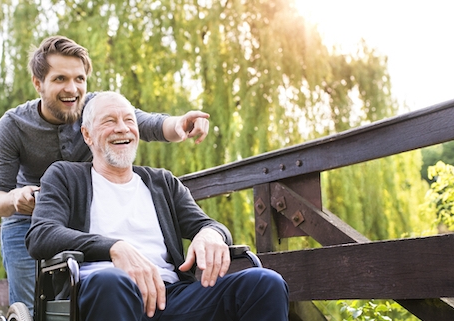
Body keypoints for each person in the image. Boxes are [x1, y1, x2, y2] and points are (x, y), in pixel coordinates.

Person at [0, 35, 211, 314]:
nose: (72, 88)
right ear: (37, 83)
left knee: (89, 292)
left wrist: (181, 124)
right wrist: (16, 198)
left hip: (81, 216)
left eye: (79, 79)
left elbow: (147, 123)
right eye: (60, 79)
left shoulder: (96, 110)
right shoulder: (13, 125)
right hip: (26, 222)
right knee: (34, 308)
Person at [25, 91, 289, 320]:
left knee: (264, 283)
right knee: (112, 282)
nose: (123, 128)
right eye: (110, 121)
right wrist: (114, 248)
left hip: (170, 297)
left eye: (129, 120)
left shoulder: (162, 182)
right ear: (87, 135)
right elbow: (41, 235)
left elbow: (207, 224)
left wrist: (210, 233)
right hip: (104, 294)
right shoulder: (65, 176)